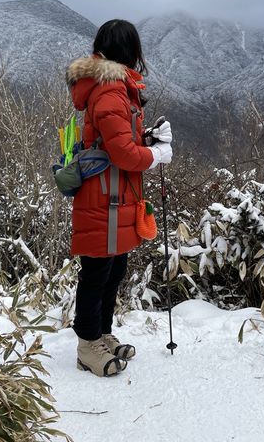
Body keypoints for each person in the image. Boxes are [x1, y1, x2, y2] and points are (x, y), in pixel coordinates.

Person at [65, 19, 173, 377]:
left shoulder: (116, 88)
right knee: (97, 271)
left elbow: (120, 138)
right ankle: (87, 345)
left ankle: (103, 333)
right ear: (130, 51)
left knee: (114, 268)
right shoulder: (110, 91)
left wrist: (147, 136)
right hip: (103, 196)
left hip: (116, 194)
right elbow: (123, 154)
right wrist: (155, 155)